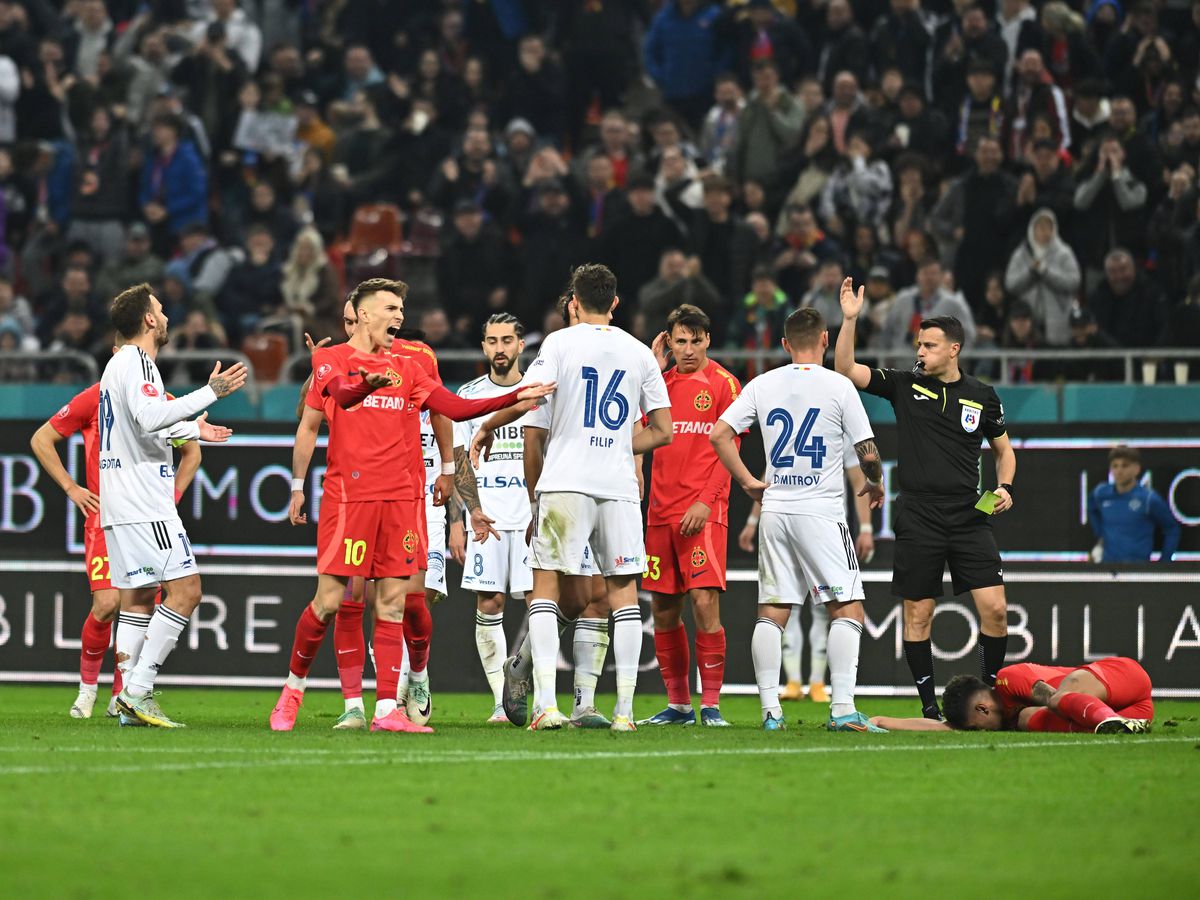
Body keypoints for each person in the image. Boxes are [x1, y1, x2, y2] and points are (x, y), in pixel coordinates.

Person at [270, 278, 554, 734]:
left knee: (392, 605)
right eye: (390, 308)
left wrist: (514, 398)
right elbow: (340, 395)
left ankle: (387, 711)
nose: (399, 316)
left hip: (404, 499)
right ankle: (292, 691)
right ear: (363, 314)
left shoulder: (411, 365)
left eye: (401, 308)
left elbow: (456, 409)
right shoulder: (331, 360)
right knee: (328, 601)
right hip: (351, 499)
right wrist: (365, 386)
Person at [470, 264, 673, 732]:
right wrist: (619, 445)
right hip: (619, 487)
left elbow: (527, 401)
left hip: (566, 482)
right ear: (615, 303)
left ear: (575, 303)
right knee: (623, 594)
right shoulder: (640, 353)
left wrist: (488, 424)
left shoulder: (559, 343)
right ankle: (624, 712)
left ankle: (546, 704)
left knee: (545, 587)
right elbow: (663, 431)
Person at [836, 277, 1017, 721]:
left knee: (995, 610)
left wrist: (1005, 487)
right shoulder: (901, 385)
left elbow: (1004, 450)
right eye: (919, 344)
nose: (920, 352)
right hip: (918, 512)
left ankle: (989, 701)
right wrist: (849, 320)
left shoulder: (982, 396)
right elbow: (845, 370)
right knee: (918, 616)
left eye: (930, 346)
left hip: (971, 512)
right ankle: (930, 709)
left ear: (953, 349)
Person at [712, 306, 885, 732]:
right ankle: (843, 709)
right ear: (825, 340)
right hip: (821, 512)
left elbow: (719, 434)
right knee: (847, 608)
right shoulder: (839, 386)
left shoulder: (762, 383)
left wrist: (749, 481)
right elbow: (867, 449)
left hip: (776, 510)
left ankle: (771, 712)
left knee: (772, 611)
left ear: (786, 344)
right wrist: (876, 483)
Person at [100, 283, 246, 728]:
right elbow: (148, 417)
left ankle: (128, 701)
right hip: (145, 503)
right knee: (187, 591)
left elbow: (138, 429)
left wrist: (191, 430)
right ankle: (138, 692)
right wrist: (211, 392)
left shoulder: (116, 365)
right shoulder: (138, 361)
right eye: (160, 310)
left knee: (141, 597)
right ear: (148, 319)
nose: (165, 317)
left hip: (122, 501)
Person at [30, 373, 200, 719]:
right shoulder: (94, 397)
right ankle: (86, 691)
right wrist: (71, 487)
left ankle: (123, 694)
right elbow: (42, 439)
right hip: (104, 519)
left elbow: (192, 454)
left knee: (139, 604)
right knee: (107, 603)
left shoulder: (161, 401)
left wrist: (172, 498)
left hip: (146, 519)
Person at [638, 304, 741, 727]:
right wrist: (649, 363)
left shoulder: (725, 385)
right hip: (661, 514)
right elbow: (634, 431)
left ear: (707, 340)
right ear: (670, 342)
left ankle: (712, 705)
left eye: (695, 340)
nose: (688, 349)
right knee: (664, 609)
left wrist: (706, 501)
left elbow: (729, 450)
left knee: (703, 602)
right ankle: (679, 705)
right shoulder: (656, 385)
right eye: (680, 340)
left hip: (704, 513)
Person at [452, 313, 538, 723]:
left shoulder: (538, 391)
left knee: (543, 603)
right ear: (484, 346)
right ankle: (501, 704)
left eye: (507, 340)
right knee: (491, 601)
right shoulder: (468, 395)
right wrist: (464, 515)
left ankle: (522, 675)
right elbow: (458, 460)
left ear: (521, 345)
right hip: (487, 514)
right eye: (492, 341)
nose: (500, 348)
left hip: (533, 515)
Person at [741, 449, 877, 703]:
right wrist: (751, 520)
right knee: (792, 608)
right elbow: (771, 473)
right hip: (819, 528)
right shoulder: (835, 416)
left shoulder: (794, 417)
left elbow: (858, 479)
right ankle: (797, 682)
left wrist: (866, 527)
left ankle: (814, 683)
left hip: (801, 525)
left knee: (797, 608)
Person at [871, 657, 1153, 733]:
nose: (977, 732)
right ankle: (1119, 724)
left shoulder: (1008, 680)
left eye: (973, 728)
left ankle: (1109, 721)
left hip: (1122, 676)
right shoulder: (1008, 717)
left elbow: (1054, 697)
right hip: (1138, 710)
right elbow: (941, 727)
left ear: (982, 709)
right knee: (1027, 718)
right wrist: (880, 720)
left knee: (1055, 699)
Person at [1087, 445, 1181, 563]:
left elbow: (1171, 529)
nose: (1119, 471)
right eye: (1115, 466)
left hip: (1138, 571)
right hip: (1108, 569)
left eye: (1125, 466)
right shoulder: (1101, 493)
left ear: (1136, 469)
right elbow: (1091, 507)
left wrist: (1165, 562)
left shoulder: (1148, 499)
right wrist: (1100, 533)